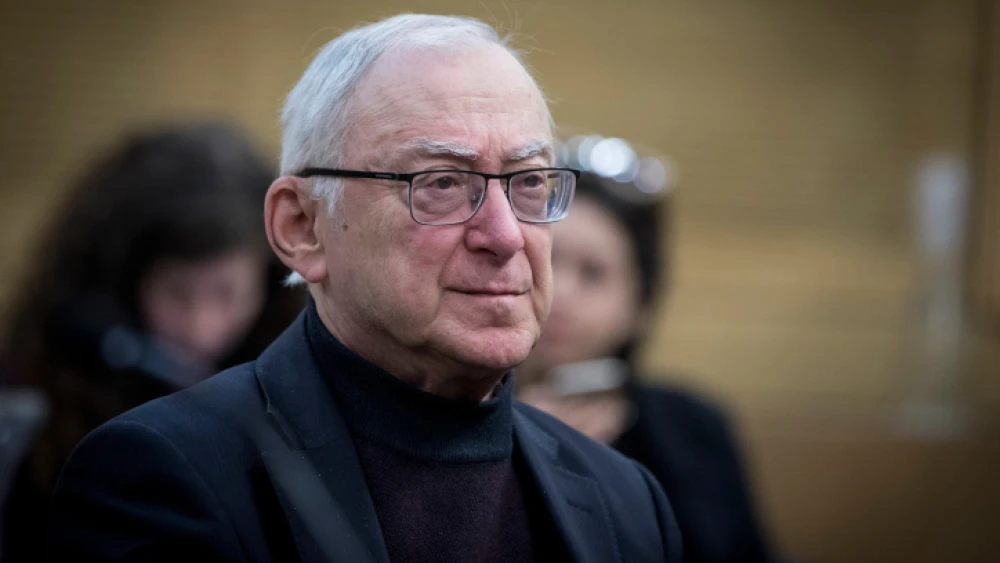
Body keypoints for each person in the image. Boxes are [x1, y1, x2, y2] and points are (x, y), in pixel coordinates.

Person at [46, 14, 683, 563]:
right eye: (440, 183)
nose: (505, 235)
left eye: (529, 182)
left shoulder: (625, 498)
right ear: (302, 227)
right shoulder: (163, 475)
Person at [0, 122, 304, 562]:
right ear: (123, 283)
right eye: (178, 293)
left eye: (227, 293)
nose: (203, 329)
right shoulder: (37, 404)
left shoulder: (288, 382)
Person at [517, 154, 777, 562]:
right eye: (549, 260)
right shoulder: (463, 420)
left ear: (640, 307)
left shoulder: (692, 428)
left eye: (594, 273)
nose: (561, 292)